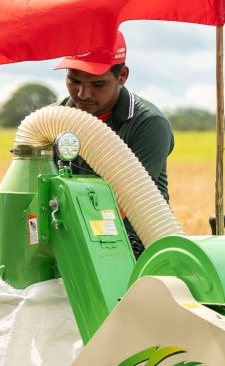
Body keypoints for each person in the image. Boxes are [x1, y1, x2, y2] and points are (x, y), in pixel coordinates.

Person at [55, 31, 174, 251]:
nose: (82, 94)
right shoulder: (53, 119)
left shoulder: (148, 124)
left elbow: (128, 198)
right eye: (74, 81)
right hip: (69, 242)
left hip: (134, 245)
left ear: (122, 76)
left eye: (97, 84)